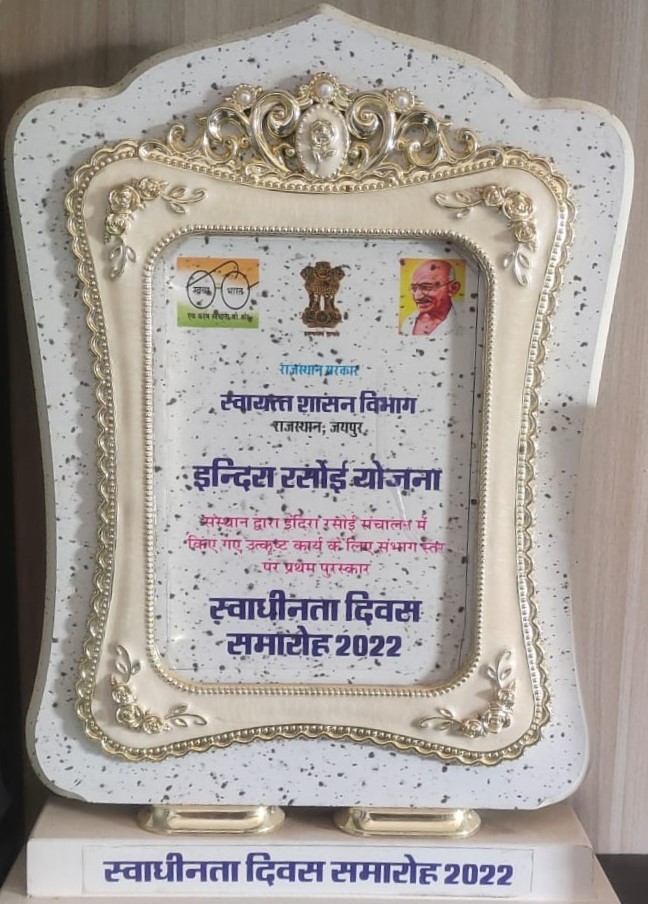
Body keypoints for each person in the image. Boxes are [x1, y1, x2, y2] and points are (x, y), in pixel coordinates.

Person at [400, 259, 461, 336]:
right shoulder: (408, 323)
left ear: (453, 288)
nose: (417, 296)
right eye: (414, 288)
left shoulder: (465, 320)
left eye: (427, 287)